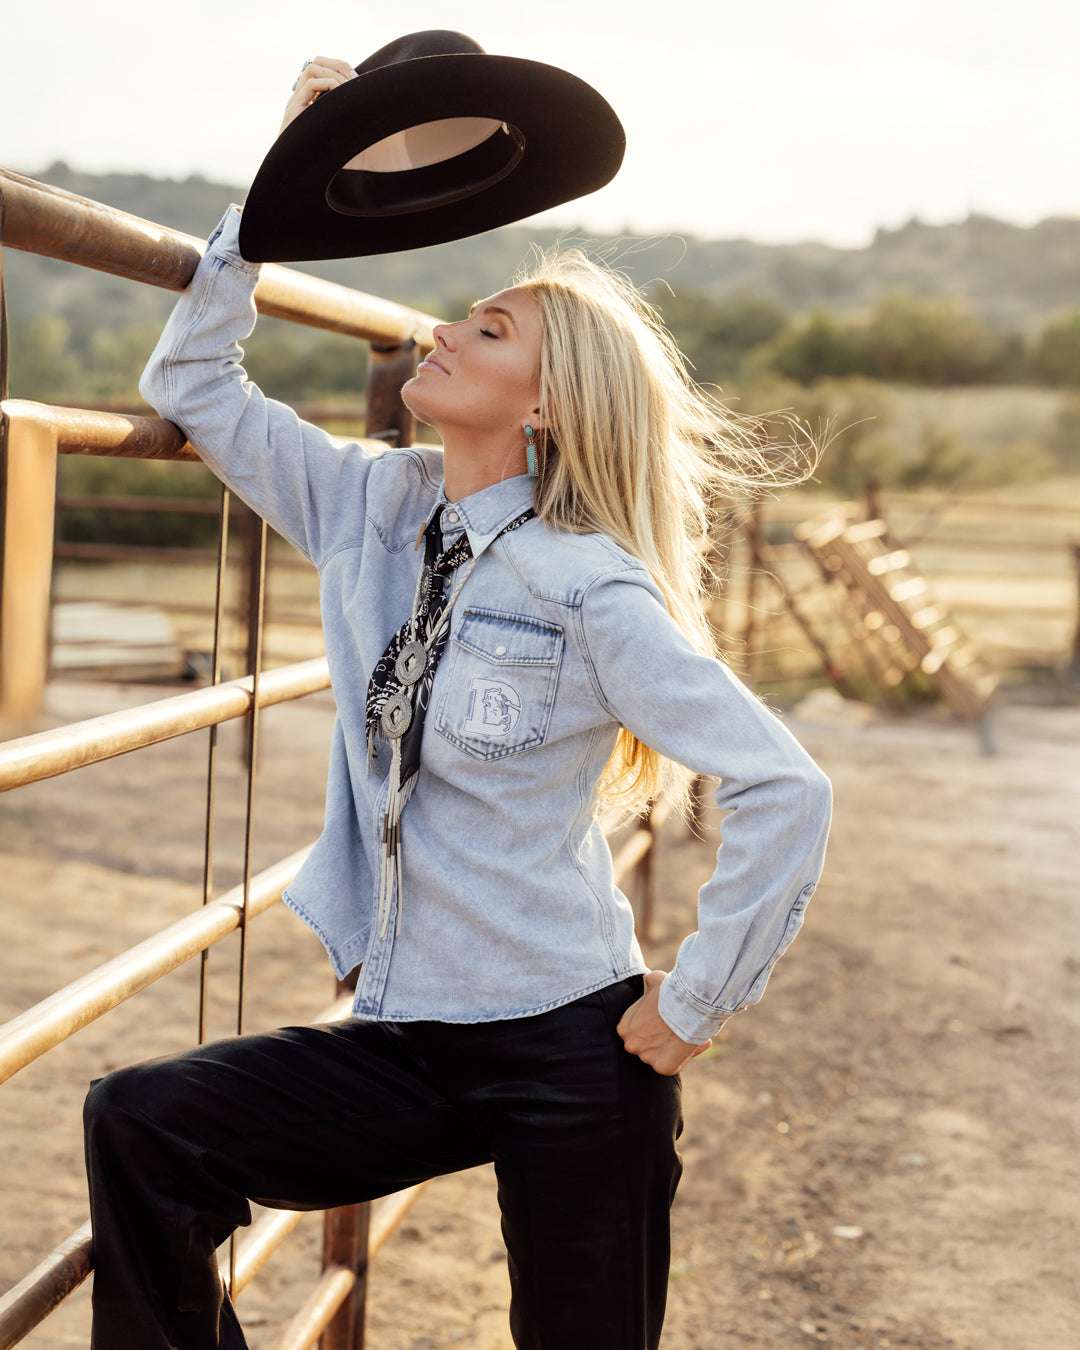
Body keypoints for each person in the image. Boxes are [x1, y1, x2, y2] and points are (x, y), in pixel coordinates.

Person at [82, 58, 834, 1350]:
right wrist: (276, 193)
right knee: (142, 1115)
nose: (437, 329)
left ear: (545, 404)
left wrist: (696, 1001)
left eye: (485, 330)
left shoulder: (588, 589)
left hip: (572, 1048)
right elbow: (197, 384)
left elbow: (785, 782)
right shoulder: (372, 505)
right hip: (408, 1039)